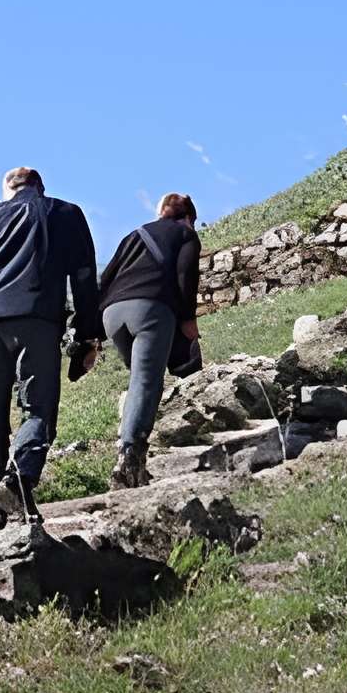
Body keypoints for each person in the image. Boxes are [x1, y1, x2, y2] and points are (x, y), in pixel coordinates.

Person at [0, 166, 103, 518]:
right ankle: (17, 481)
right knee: (39, 410)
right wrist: (86, 335)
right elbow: (85, 277)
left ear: (6, 191)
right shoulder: (65, 213)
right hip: (38, 318)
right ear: (40, 188)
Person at [95, 192, 203, 487]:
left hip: (113, 315)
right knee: (147, 380)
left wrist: (94, 331)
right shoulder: (186, 235)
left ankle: (133, 457)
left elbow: (105, 280)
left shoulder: (134, 235)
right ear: (189, 217)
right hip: (151, 308)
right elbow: (185, 276)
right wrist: (188, 319)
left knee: (140, 379)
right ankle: (129, 458)